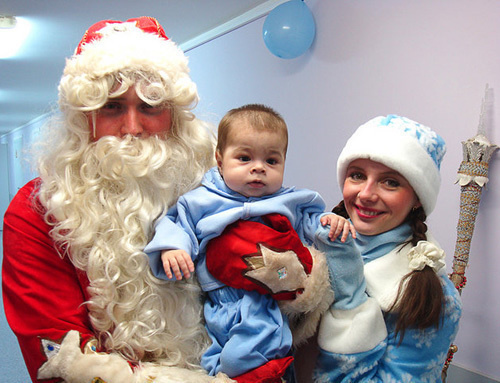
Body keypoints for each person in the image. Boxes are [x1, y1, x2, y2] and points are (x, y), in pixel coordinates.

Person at [2, 17, 235, 383]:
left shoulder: (215, 191)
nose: (131, 128)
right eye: (112, 107)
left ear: (174, 116)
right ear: (84, 120)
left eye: (150, 106)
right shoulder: (36, 210)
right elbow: (62, 359)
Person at [145, 104, 353, 382]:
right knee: (212, 351)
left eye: (272, 161)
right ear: (220, 160)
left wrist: (331, 222)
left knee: (255, 347)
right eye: (244, 158)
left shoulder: (290, 201)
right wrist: (173, 248)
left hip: (264, 296)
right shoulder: (201, 200)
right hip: (218, 298)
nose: (258, 168)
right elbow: (175, 223)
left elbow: (313, 222)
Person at [310, 115, 462, 382]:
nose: (366, 194)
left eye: (390, 182)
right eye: (357, 175)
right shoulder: (316, 241)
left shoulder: (431, 295)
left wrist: (352, 301)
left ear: (417, 198)